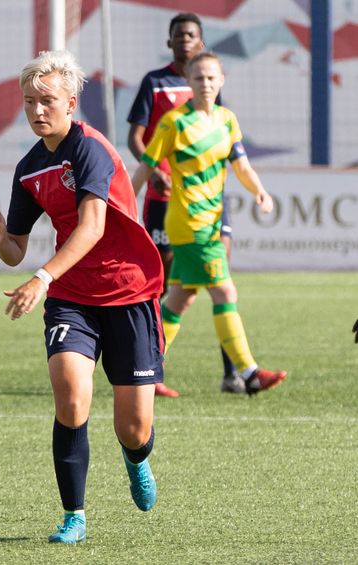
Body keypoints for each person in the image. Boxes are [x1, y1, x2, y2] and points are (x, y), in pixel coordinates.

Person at [0, 50, 162, 545]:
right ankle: (74, 515)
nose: (37, 110)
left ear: (71, 103)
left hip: (128, 292)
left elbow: (93, 226)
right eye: (29, 101)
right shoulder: (29, 167)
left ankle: (136, 456)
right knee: (71, 395)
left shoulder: (90, 148)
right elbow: (16, 251)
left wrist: (40, 278)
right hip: (72, 298)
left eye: (48, 101)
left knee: (134, 428)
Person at [131, 52, 287, 396]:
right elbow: (146, 165)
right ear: (189, 81)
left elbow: (241, 166)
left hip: (211, 221)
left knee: (179, 299)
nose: (205, 84)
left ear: (221, 80)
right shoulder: (174, 123)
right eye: (199, 78)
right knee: (224, 292)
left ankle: (145, 370)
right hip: (190, 222)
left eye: (211, 78)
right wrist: (123, 205)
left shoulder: (227, 120)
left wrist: (260, 191)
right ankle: (249, 373)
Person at [126, 12, 241, 396]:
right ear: (169, 41)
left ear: (201, 41)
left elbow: (219, 136)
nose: (185, 40)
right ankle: (146, 367)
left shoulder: (209, 84)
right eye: (179, 35)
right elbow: (136, 138)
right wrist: (153, 172)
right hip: (166, 201)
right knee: (164, 285)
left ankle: (233, 372)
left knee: (218, 278)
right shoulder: (155, 83)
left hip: (210, 203)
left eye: (191, 35)